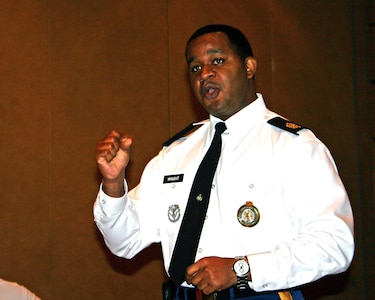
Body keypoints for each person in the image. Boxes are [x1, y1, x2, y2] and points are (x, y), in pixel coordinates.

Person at [93, 24, 354, 300]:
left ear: (249, 67)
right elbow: (124, 242)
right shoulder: (175, 153)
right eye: (195, 68)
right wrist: (112, 183)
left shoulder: (293, 146)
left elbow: (334, 245)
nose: (205, 74)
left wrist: (241, 269)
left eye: (217, 61)